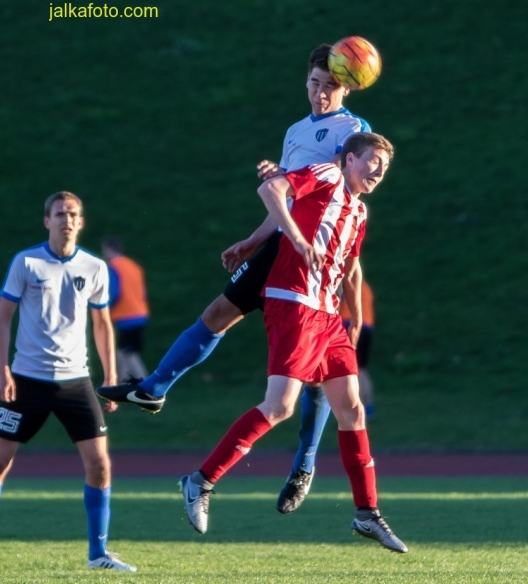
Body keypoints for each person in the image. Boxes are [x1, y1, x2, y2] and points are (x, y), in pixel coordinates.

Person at [97, 43, 372, 513]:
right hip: (279, 247)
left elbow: (336, 195)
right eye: (314, 83)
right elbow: (284, 198)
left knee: (316, 376)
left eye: (330, 85)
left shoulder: (354, 131)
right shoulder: (295, 131)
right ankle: (154, 389)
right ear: (304, 82)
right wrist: (251, 239)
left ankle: (303, 465)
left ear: (346, 86)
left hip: (314, 259)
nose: (320, 93)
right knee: (218, 313)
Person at [180, 133, 408, 553]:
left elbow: (351, 265)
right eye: (372, 162)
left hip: (327, 315)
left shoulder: (358, 210)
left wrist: (354, 313)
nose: (377, 171)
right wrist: (296, 240)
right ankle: (200, 481)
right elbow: (272, 189)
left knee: (352, 409)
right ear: (349, 158)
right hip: (295, 302)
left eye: (384, 168)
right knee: (280, 406)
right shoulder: (325, 174)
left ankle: (367, 513)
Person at [0, 191, 136, 574]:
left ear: (81, 222)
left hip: (76, 381)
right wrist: (3, 370)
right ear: (46, 220)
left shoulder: (95, 267)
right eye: (59, 214)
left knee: (100, 465)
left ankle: (98, 554)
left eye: (73, 214)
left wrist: (111, 376)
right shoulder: (27, 262)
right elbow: (3, 318)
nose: (66, 220)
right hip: (27, 381)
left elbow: (102, 324)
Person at [100, 236, 149, 382]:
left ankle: (147, 386)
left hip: (126, 315)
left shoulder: (113, 266)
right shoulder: (133, 266)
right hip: (140, 313)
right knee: (124, 353)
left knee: (129, 353)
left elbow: (114, 293)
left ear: (110, 249)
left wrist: (103, 307)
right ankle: (123, 386)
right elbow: (143, 292)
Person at [340, 280, 375, 418]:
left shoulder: (345, 284)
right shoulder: (365, 287)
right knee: (362, 369)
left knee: (351, 371)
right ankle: (369, 407)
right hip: (367, 328)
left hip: (350, 326)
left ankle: (355, 410)